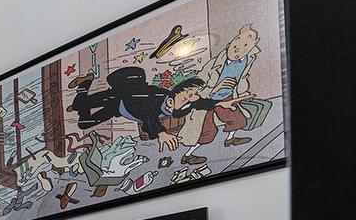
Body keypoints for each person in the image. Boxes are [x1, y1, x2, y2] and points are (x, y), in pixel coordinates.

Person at [67, 67, 222, 152]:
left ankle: (80, 102)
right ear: (179, 90)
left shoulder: (184, 106)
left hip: (119, 109)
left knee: (83, 123)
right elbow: (149, 115)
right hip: (119, 96)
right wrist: (161, 133)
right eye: (189, 92)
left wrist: (220, 104)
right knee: (79, 104)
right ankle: (85, 84)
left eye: (193, 96)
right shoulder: (159, 95)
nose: (190, 97)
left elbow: (201, 103)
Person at [179, 25, 261, 165]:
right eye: (236, 44)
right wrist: (216, 87)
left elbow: (242, 78)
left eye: (245, 46)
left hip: (226, 97)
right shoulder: (215, 63)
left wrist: (243, 92)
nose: (238, 49)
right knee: (206, 130)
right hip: (206, 101)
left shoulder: (246, 61)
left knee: (237, 118)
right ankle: (187, 155)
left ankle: (230, 139)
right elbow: (199, 83)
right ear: (230, 44)